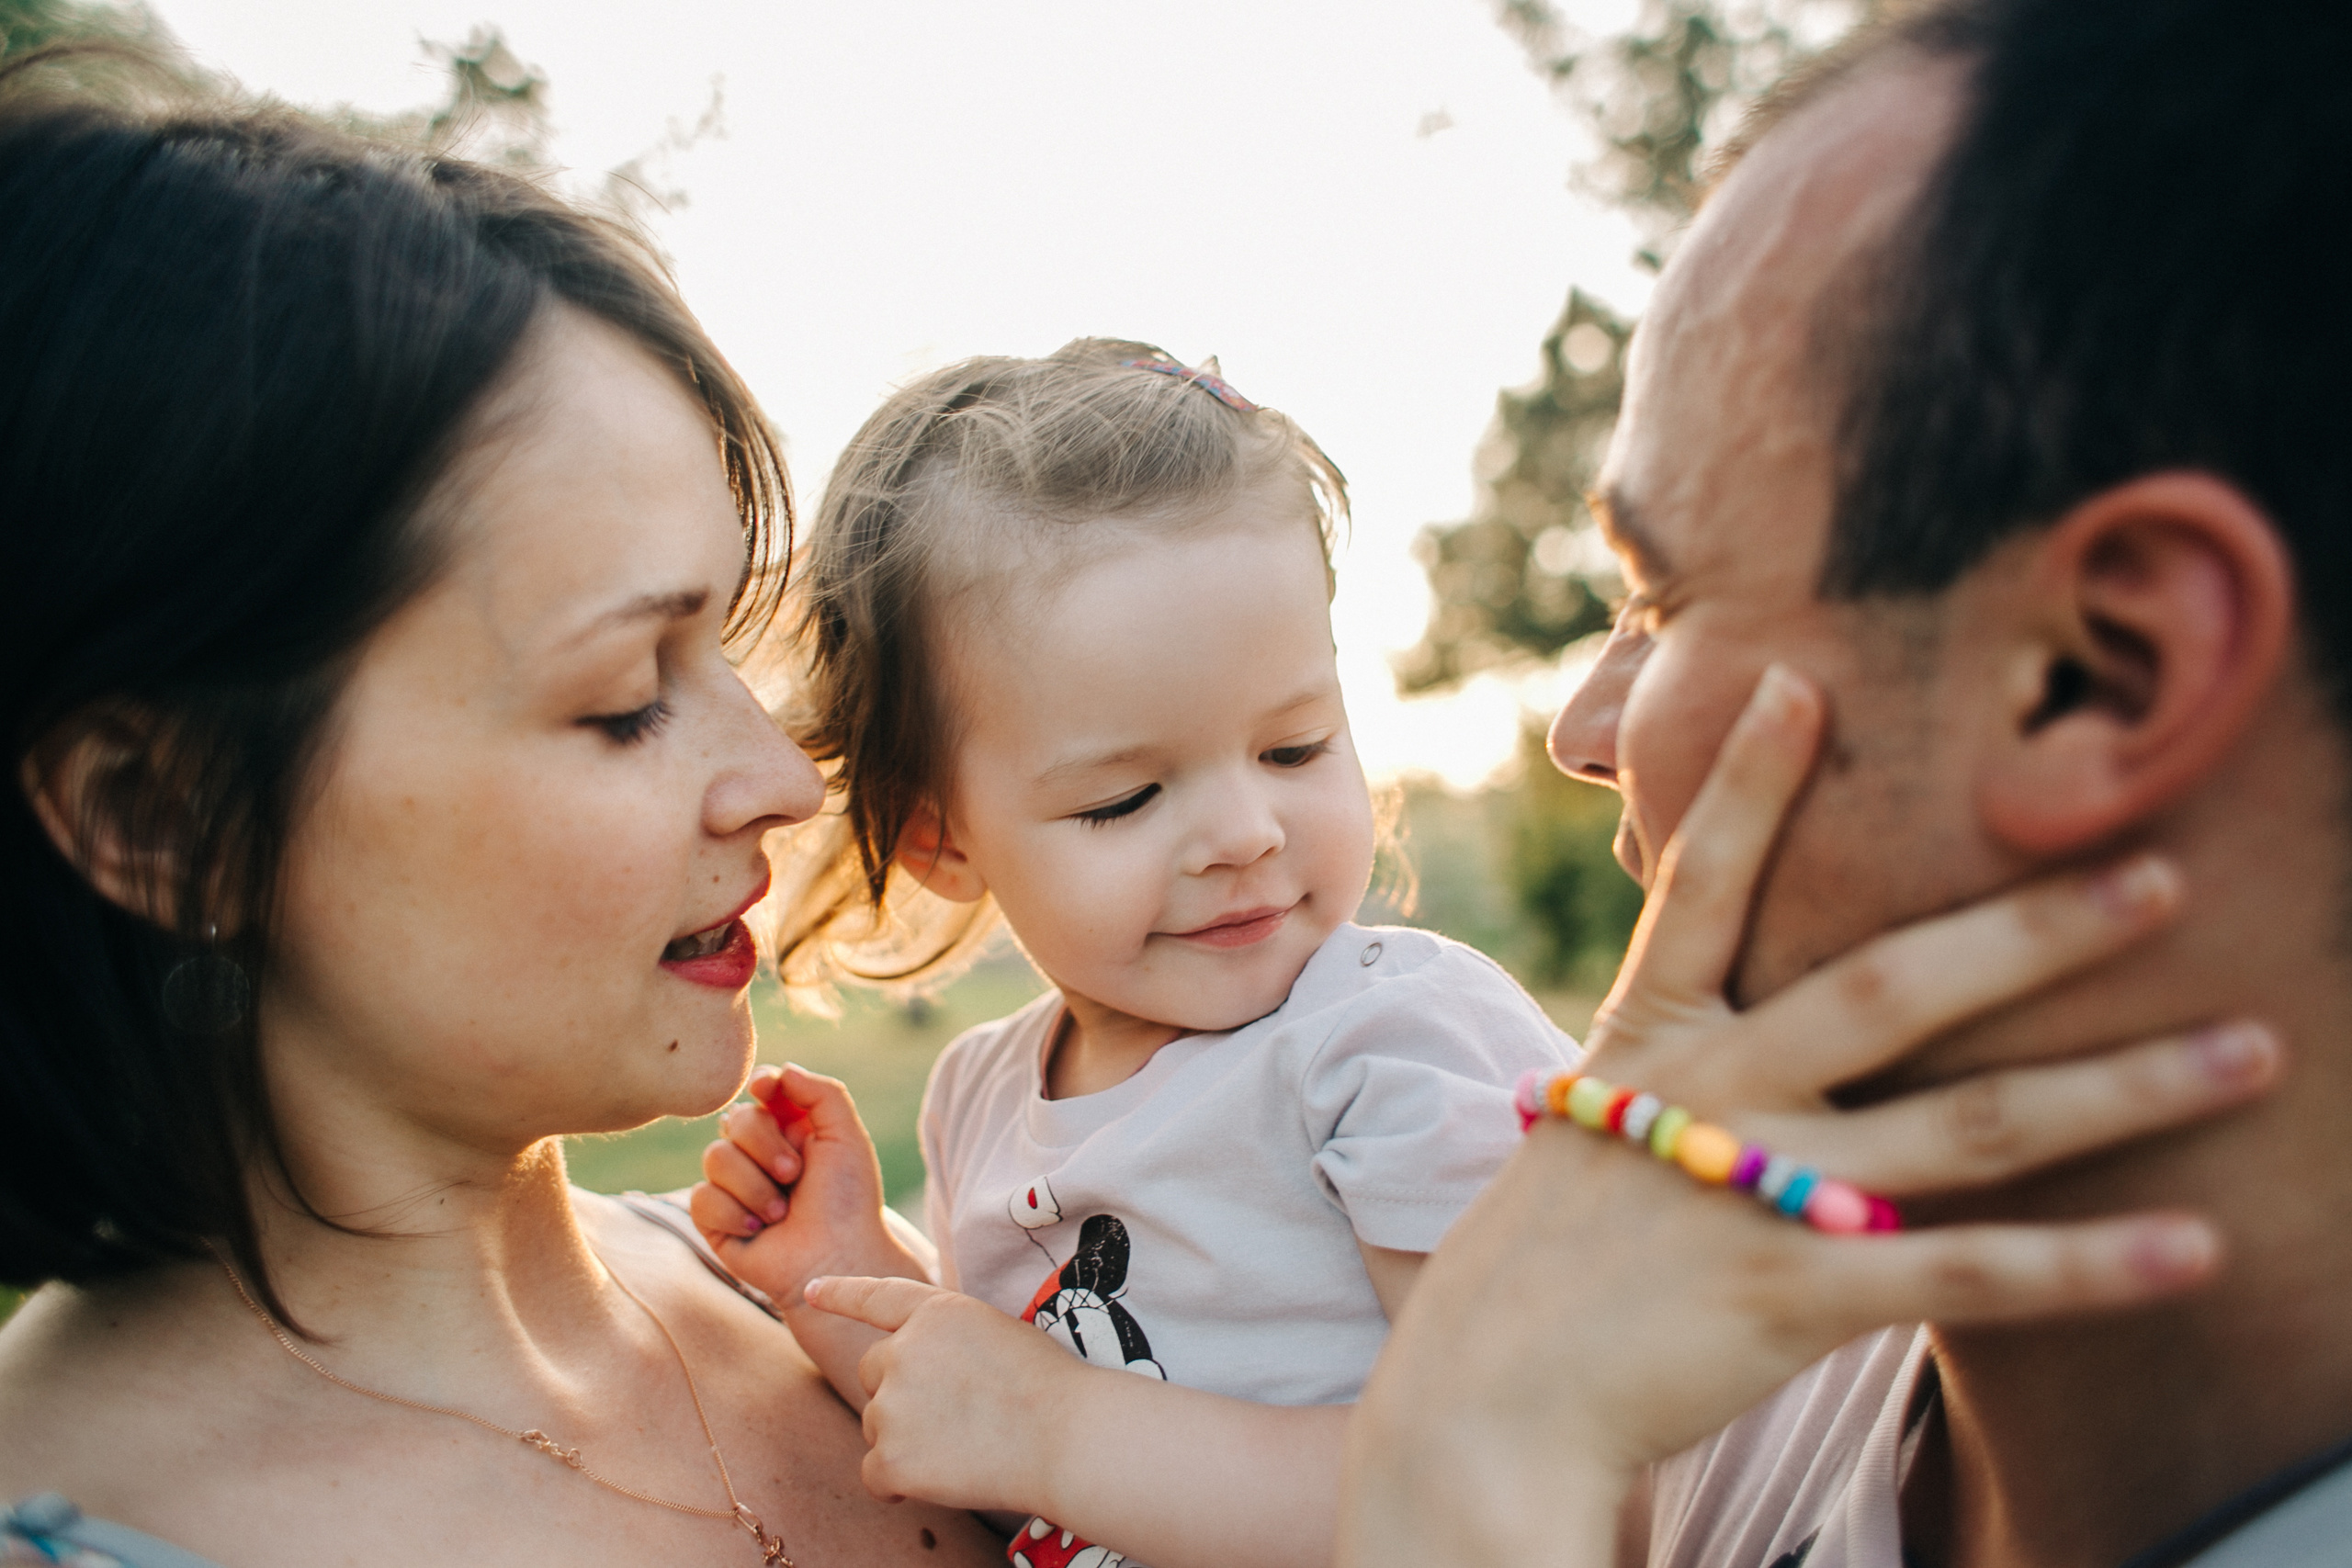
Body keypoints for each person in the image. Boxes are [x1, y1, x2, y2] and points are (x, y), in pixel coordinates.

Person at [1340, 0, 2352, 1563]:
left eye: (1660, 605)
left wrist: (1462, 1482)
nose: (1582, 732)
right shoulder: (1696, 1364)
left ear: (2097, 673)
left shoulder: (1548, 1422)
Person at [0, 56, 1001, 1567]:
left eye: (725, 641)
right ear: (164, 815)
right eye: (623, 698)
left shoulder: (831, 1302)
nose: (786, 782)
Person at [685, 342, 1578, 1568]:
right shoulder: (981, 1101)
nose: (1244, 835)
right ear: (940, 837)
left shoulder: (1389, 1043)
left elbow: (1527, 1496)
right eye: (1124, 799)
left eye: (1295, 748)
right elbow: (1002, 1462)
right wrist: (837, 1274)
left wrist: (1059, 1432)